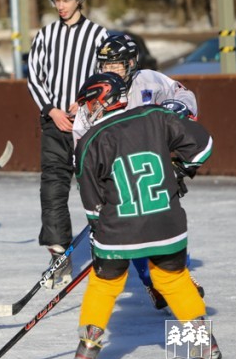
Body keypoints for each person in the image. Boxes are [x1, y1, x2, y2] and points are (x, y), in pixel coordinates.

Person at [71, 72, 223, 359]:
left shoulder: (90, 140)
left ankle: (88, 346)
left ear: (102, 100)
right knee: (174, 279)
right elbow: (203, 146)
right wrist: (179, 171)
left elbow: (92, 203)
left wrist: (99, 232)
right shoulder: (156, 116)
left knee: (104, 284)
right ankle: (205, 345)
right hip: (166, 223)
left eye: (89, 102)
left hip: (118, 228)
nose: (86, 109)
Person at [73, 33, 204, 310]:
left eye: (116, 64)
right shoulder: (97, 90)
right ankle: (151, 282)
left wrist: (178, 110)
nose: (110, 70)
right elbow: (82, 141)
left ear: (131, 63)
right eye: (105, 64)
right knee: (132, 229)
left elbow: (184, 95)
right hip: (118, 173)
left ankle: (176, 276)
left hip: (150, 166)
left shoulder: (150, 80)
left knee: (161, 223)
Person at [26, 0, 108, 289]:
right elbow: (34, 76)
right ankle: (59, 254)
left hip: (89, 126)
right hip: (55, 124)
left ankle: (107, 248)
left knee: (97, 188)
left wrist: (87, 101)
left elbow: (109, 76)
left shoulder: (98, 35)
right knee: (52, 189)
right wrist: (51, 109)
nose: (61, 5)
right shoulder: (46, 35)